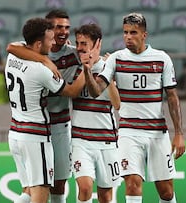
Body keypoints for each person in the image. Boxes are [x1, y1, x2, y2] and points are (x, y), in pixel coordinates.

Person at [83, 13, 186, 203]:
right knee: (132, 183)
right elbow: (96, 90)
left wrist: (179, 133)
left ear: (144, 35)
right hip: (129, 132)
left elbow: (172, 96)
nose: (128, 37)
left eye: (133, 32)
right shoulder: (115, 59)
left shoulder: (161, 58)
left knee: (166, 192)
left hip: (157, 133)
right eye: (125, 33)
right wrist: (88, 70)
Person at [6, 17, 89, 203]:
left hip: (15, 133)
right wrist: (86, 68)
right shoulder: (41, 71)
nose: (54, 43)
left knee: (28, 190)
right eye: (50, 40)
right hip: (36, 137)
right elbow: (72, 91)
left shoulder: (13, 58)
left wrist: (43, 58)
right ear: (37, 43)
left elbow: (11, 46)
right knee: (41, 194)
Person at [71, 24, 121, 203]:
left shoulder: (109, 66)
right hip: (80, 140)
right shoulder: (73, 67)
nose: (79, 47)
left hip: (106, 139)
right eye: (77, 43)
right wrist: (85, 68)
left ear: (97, 43)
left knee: (106, 196)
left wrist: (110, 77)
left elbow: (117, 104)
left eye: (84, 43)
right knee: (84, 188)